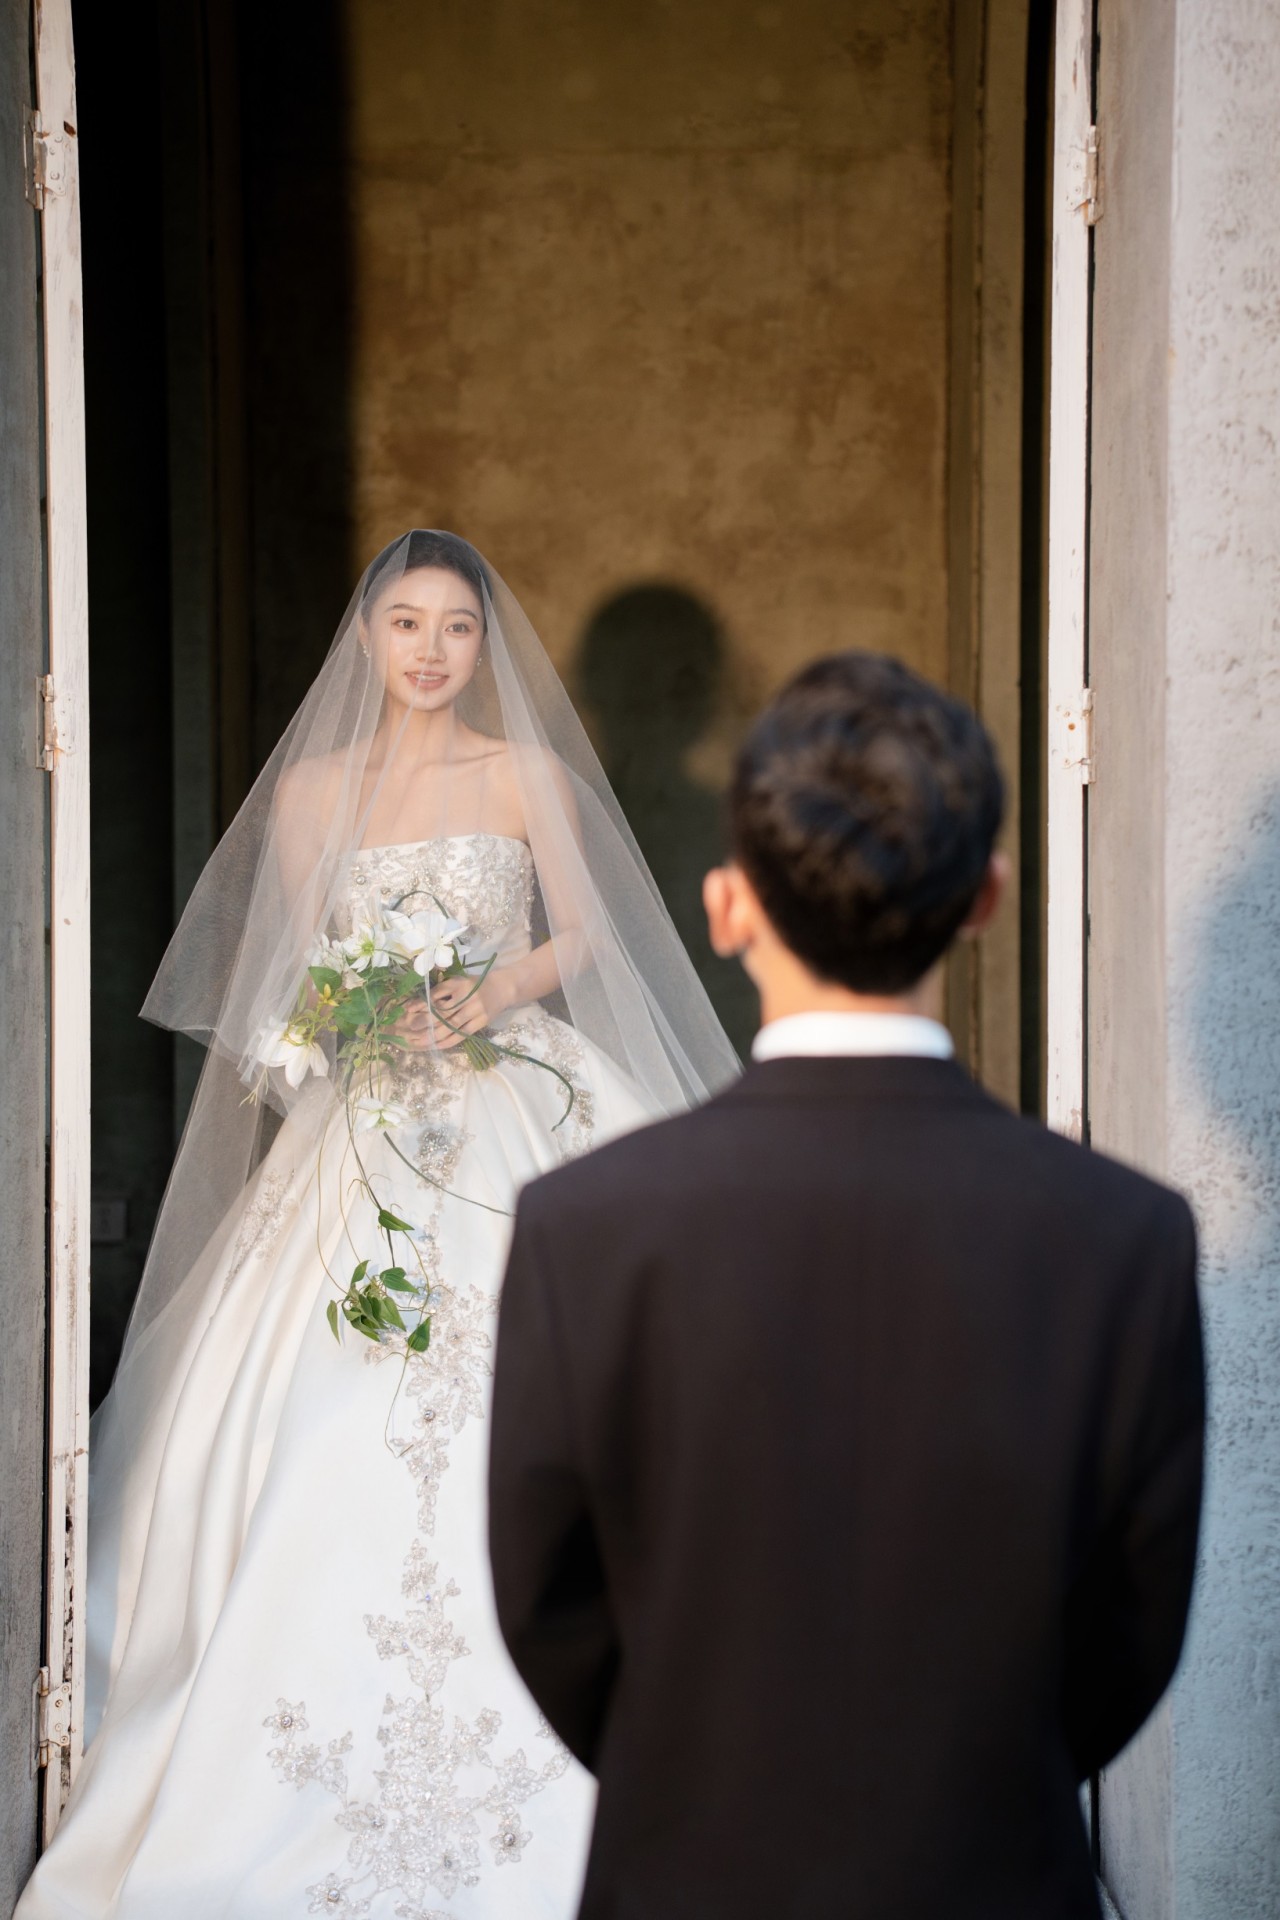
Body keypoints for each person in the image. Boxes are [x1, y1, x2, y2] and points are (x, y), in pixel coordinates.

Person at [17, 531, 739, 1920]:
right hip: (367, 1111)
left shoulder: (524, 776)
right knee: (316, 1400)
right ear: (365, 639)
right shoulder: (310, 793)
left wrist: (492, 991)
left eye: (455, 627)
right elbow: (292, 971)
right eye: (405, 623)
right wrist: (346, 1021)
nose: (429, 650)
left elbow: (587, 934)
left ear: (485, 644)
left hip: (509, 1090)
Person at [488, 651, 1205, 1920]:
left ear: (725, 908)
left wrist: (689, 1778)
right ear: (985, 897)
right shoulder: (1122, 1234)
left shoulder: (582, 1223)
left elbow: (548, 1600)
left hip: (685, 1872)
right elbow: (1131, 1627)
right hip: (994, 1872)